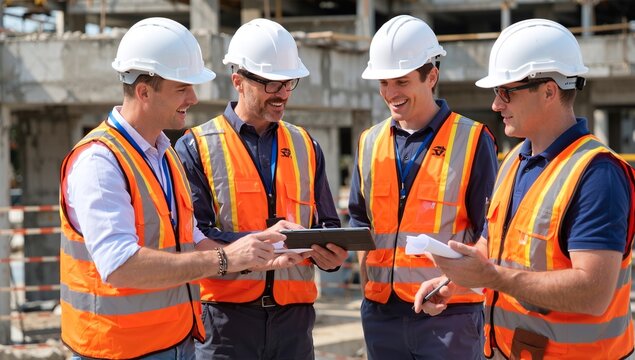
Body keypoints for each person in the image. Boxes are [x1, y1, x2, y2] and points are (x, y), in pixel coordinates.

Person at [59, 17, 287, 360]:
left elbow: (191, 239)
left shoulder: (165, 156)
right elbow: (120, 265)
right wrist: (224, 260)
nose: (193, 98)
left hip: (177, 343)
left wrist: (253, 253)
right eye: (182, 88)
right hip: (117, 350)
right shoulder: (99, 162)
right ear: (144, 91)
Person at [415, 18, 635, 359]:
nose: (496, 105)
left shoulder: (597, 174)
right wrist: (456, 282)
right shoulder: (516, 159)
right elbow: (498, 249)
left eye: (506, 92)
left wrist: (493, 277)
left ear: (549, 90)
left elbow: (593, 292)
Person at [175, 18, 348, 359]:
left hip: (294, 322)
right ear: (238, 81)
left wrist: (332, 257)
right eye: (271, 84)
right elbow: (194, 236)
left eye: (288, 83)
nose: (283, 93)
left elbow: (327, 225)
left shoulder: (306, 145)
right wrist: (262, 241)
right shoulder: (195, 146)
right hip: (225, 321)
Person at [348, 15, 498, 360]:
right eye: (384, 83)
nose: (390, 93)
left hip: (449, 315)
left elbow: (491, 232)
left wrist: (455, 284)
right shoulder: (368, 142)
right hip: (381, 313)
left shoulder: (473, 140)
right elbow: (359, 221)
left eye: (401, 81)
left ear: (431, 76)